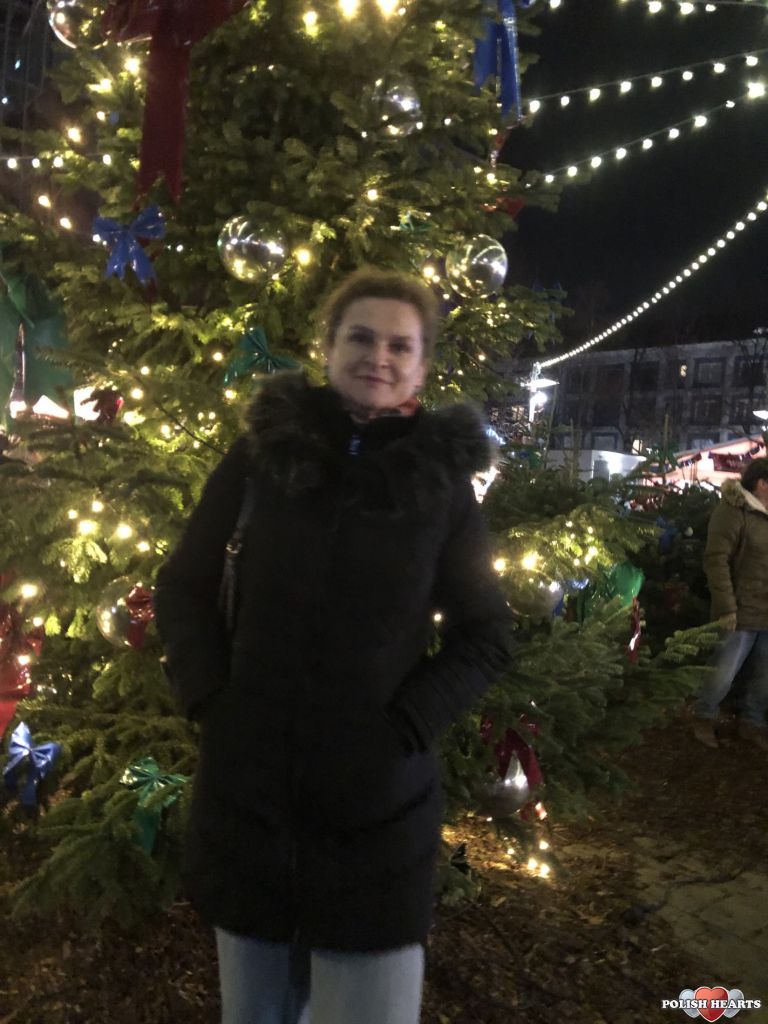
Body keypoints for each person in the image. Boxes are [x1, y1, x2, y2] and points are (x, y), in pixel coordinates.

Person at [154, 267, 513, 1024]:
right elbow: (183, 585)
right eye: (360, 337)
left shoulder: (440, 484)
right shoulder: (263, 455)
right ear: (327, 347)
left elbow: (485, 633)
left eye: (399, 345)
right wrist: (213, 699)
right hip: (249, 807)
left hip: (377, 819)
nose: (377, 356)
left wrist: (404, 726)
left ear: (422, 365)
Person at [693, 457, 768, 750]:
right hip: (740, 611)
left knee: (764, 677)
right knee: (723, 672)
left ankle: (752, 722)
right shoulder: (733, 512)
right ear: (762, 484)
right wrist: (727, 608)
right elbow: (716, 560)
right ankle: (703, 716)